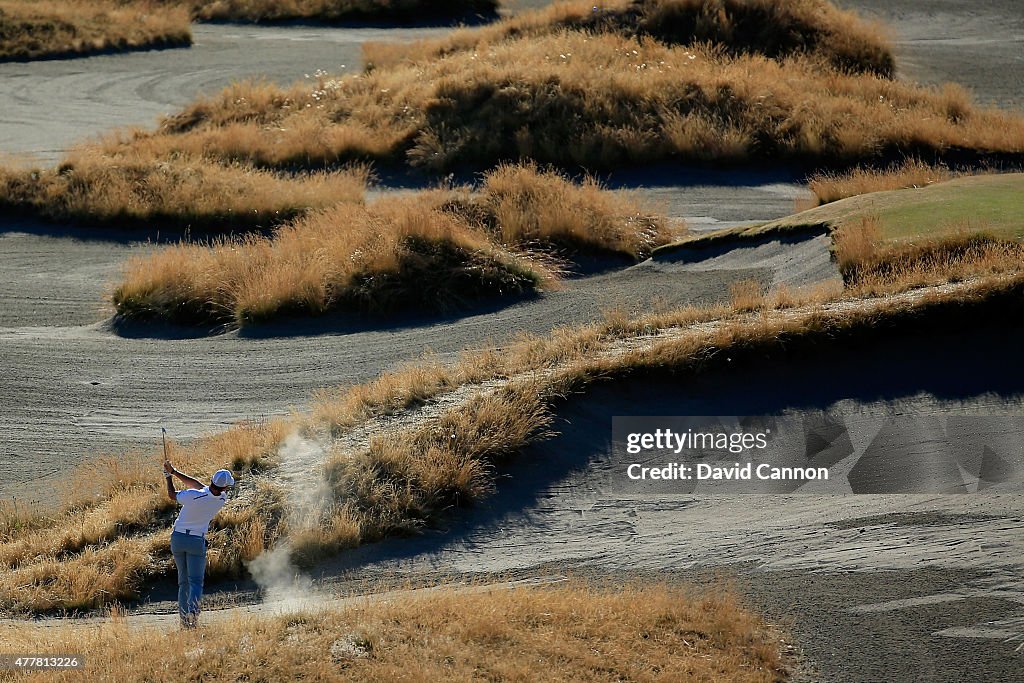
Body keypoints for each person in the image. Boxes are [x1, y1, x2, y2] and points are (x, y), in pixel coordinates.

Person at [163, 459, 235, 629]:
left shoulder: (192, 495)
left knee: (183, 583)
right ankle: (192, 617)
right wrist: (174, 471)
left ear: (211, 481)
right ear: (224, 488)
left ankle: (183, 621)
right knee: (195, 582)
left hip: (178, 539)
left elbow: (172, 495)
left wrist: (168, 477)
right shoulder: (221, 499)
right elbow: (198, 486)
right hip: (196, 541)